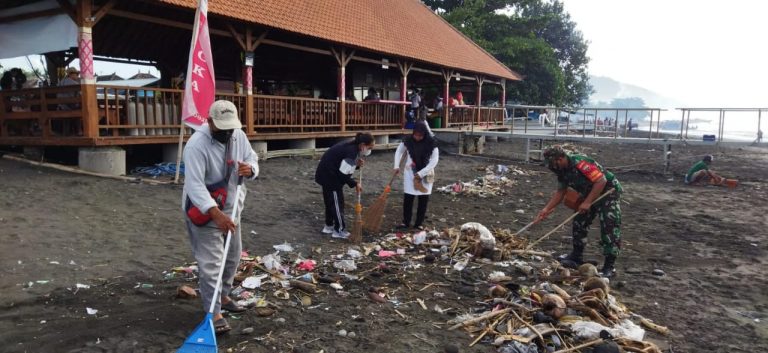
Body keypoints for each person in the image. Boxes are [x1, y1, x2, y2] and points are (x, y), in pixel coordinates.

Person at [181, 100, 259, 334]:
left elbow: (252, 158)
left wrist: (251, 169)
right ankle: (213, 312)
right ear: (210, 121)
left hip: (232, 208)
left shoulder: (238, 135)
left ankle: (224, 296)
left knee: (233, 257)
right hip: (204, 212)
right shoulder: (196, 145)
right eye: (221, 128)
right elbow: (194, 186)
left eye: (230, 128)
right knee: (212, 264)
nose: (227, 133)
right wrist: (215, 214)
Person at [535, 146, 623, 278]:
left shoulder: (580, 163)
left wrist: (587, 202)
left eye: (553, 163)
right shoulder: (560, 169)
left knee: (609, 226)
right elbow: (561, 191)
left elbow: (601, 181)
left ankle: (609, 266)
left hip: (607, 192)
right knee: (579, 221)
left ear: (561, 158)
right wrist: (547, 209)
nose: (552, 167)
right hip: (589, 192)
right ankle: (576, 256)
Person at [315, 132, 374, 239]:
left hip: (326, 173)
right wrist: (355, 183)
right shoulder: (352, 151)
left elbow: (345, 167)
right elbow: (343, 173)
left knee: (330, 201)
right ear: (362, 145)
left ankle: (329, 226)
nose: (370, 150)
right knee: (337, 203)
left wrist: (356, 165)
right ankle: (339, 230)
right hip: (330, 176)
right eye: (369, 147)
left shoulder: (352, 146)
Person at [394, 121, 439, 230]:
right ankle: (406, 222)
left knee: (423, 199)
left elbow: (434, 160)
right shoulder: (408, 141)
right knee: (408, 198)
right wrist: (396, 165)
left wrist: (421, 173)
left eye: (420, 135)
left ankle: (419, 223)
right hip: (410, 172)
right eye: (416, 135)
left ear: (424, 134)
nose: (418, 137)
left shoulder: (431, 143)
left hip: (426, 172)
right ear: (413, 133)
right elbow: (399, 152)